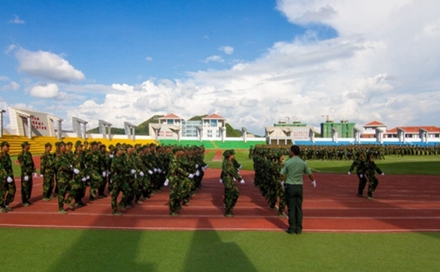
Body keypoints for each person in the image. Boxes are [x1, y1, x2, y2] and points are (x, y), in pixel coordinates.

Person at [280, 145, 316, 234]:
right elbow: (310, 174)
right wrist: (313, 181)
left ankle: (292, 228)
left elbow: (281, 174)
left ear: (292, 152)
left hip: (290, 186)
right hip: (299, 186)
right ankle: (299, 228)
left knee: (291, 208)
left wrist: (282, 182)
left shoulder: (288, 162)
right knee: (298, 208)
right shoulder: (303, 163)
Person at [222, 149, 243, 217]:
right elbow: (232, 171)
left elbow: (233, 169)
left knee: (234, 193)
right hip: (228, 181)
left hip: (230, 180)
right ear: (229, 156)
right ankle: (228, 211)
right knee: (229, 195)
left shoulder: (229, 161)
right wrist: (239, 178)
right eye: (232, 155)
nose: (233, 156)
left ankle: (230, 207)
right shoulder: (227, 163)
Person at [17, 141, 36, 206]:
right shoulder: (21, 154)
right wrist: (25, 174)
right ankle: (24, 200)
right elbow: (22, 165)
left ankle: (27, 199)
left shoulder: (29, 153)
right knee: (25, 187)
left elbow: (32, 162)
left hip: (29, 173)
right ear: (25, 146)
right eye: (28, 145)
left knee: (29, 186)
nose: (29, 146)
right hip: (25, 174)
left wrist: (34, 170)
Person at [1, 141, 15, 212]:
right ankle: (0, 206)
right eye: (7, 146)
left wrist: (10, 175)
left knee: (12, 190)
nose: (9, 148)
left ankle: (6, 204)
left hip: (10, 176)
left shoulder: (7, 156)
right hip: (3, 177)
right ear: (3, 147)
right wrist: (6, 176)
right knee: (2, 192)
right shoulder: (1, 156)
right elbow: (1, 167)